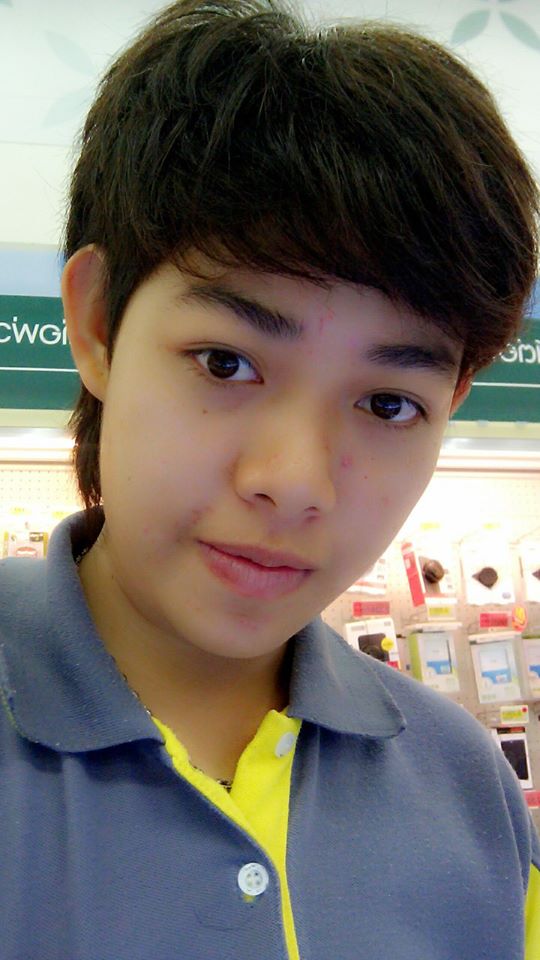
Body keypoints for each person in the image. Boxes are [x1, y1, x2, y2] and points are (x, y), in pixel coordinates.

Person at [0, 1, 538, 956]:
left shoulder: (466, 785)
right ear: (97, 325)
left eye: (387, 404)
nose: (295, 484)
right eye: (226, 363)